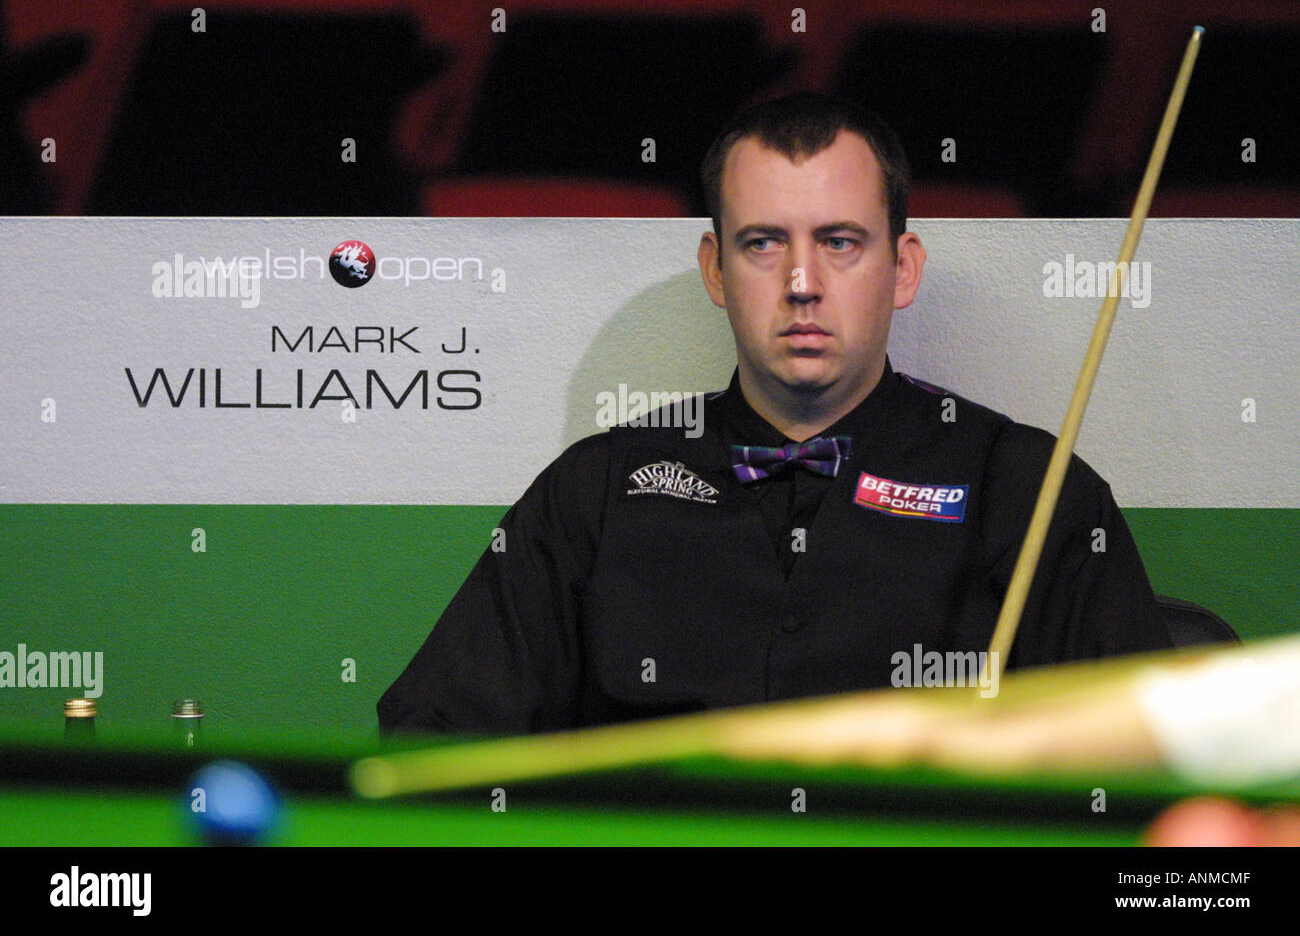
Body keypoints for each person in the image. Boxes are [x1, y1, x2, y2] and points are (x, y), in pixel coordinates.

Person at [378, 92, 1172, 735]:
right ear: (715, 268)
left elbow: (1147, 762)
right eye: (762, 243)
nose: (801, 281)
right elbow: (434, 734)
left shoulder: (1029, 491)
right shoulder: (597, 489)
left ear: (902, 268)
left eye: (840, 242)